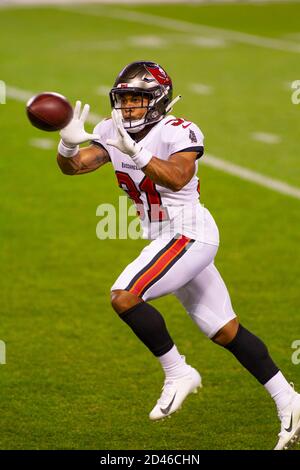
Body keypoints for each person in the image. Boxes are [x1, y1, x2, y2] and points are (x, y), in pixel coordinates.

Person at [56, 61, 300, 450]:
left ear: (157, 101)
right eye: (124, 100)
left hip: (190, 233)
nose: (129, 108)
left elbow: (178, 176)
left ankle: (178, 372)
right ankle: (290, 400)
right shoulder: (111, 130)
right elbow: (75, 167)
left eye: (137, 100)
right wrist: (67, 143)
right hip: (164, 237)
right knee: (224, 330)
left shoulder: (179, 130)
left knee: (124, 295)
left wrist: (134, 151)